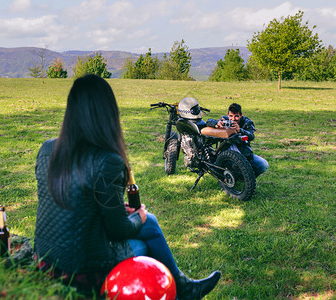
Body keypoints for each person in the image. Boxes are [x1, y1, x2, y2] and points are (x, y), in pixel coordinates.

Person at [33, 74, 221, 299]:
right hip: (83, 271)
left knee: (148, 222)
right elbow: (117, 230)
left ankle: (183, 285)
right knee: (146, 236)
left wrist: (111, 206)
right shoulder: (107, 160)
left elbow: (68, 201)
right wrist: (139, 216)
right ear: (108, 113)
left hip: (45, 261)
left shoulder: (47, 149)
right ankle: (183, 288)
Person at [206, 102, 269, 177]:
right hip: (225, 152)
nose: (233, 119)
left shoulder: (247, 122)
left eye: (236, 116)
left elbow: (251, 136)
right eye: (231, 116)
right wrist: (216, 124)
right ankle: (230, 176)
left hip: (243, 153)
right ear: (227, 114)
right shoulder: (224, 120)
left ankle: (246, 178)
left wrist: (240, 130)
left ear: (241, 115)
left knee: (263, 165)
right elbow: (208, 121)